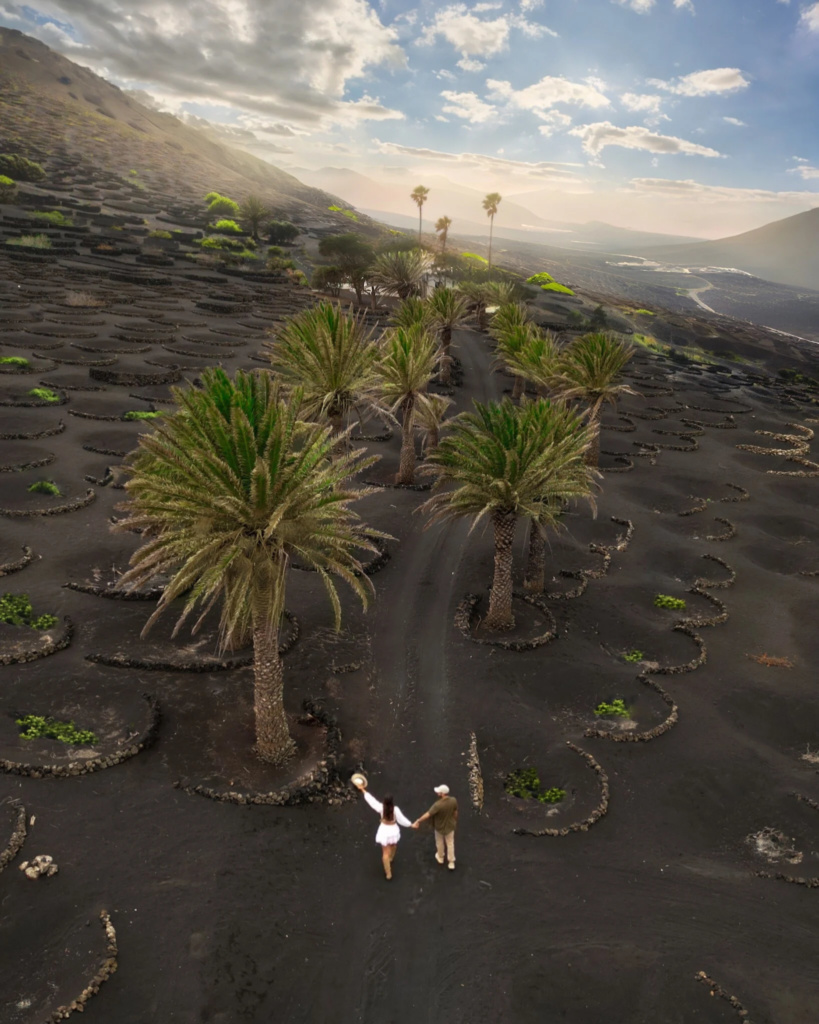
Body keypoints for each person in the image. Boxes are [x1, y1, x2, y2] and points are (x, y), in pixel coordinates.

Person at [353, 777, 413, 881]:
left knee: (384, 852)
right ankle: (391, 858)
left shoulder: (381, 808)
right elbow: (402, 820)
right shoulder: (396, 809)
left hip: (384, 831)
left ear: (385, 801)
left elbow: (372, 801)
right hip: (393, 831)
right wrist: (411, 825)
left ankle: (388, 873)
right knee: (394, 844)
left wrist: (363, 789)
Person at [412, 784, 458, 870]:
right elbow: (455, 812)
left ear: (442, 794)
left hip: (439, 827)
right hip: (450, 827)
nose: (437, 793)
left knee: (439, 842)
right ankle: (451, 862)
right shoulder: (453, 800)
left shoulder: (438, 805)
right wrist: (455, 821)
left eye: (439, 792)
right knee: (450, 843)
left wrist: (418, 820)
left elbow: (428, 814)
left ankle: (440, 857)